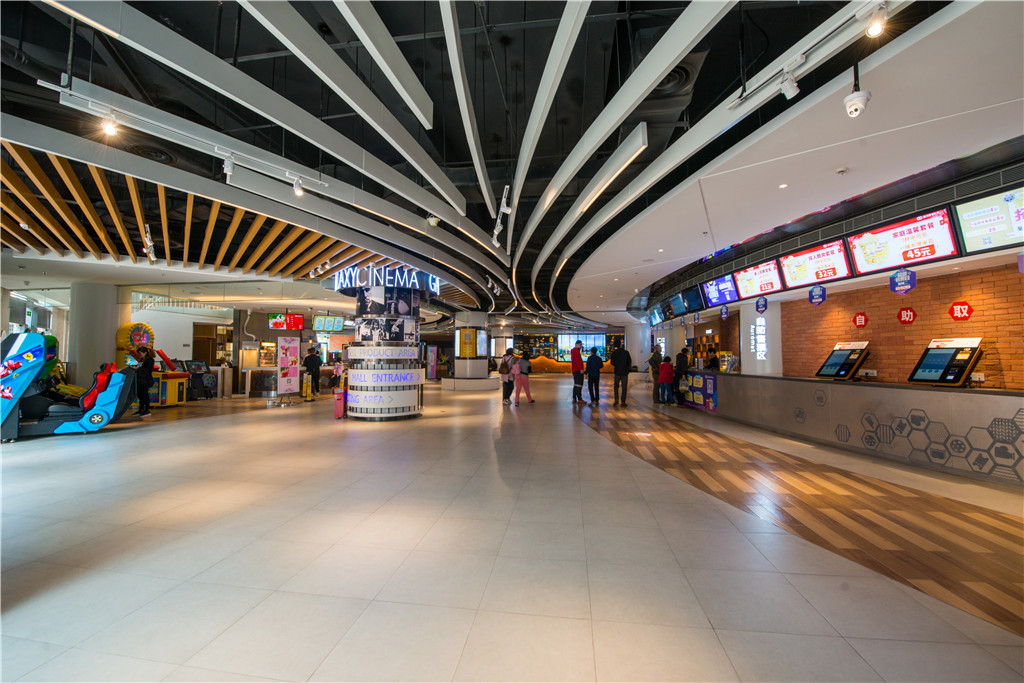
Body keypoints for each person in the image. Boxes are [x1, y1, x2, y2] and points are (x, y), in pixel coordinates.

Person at [132, 346, 155, 416]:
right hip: (140, 380)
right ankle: (141, 409)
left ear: (145, 353)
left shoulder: (149, 360)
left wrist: (137, 369)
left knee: (145, 394)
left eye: (140, 353)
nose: (140, 354)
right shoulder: (142, 360)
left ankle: (146, 409)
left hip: (145, 380)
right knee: (140, 394)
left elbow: (148, 370)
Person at [610, 341, 632, 406]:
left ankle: (616, 399)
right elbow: (629, 361)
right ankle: (623, 401)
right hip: (624, 372)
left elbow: (612, 362)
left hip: (617, 372)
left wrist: (617, 365)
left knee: (616, 386)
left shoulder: (614, 353)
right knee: (624, 387)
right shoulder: (626, 352)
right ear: (620, 345)